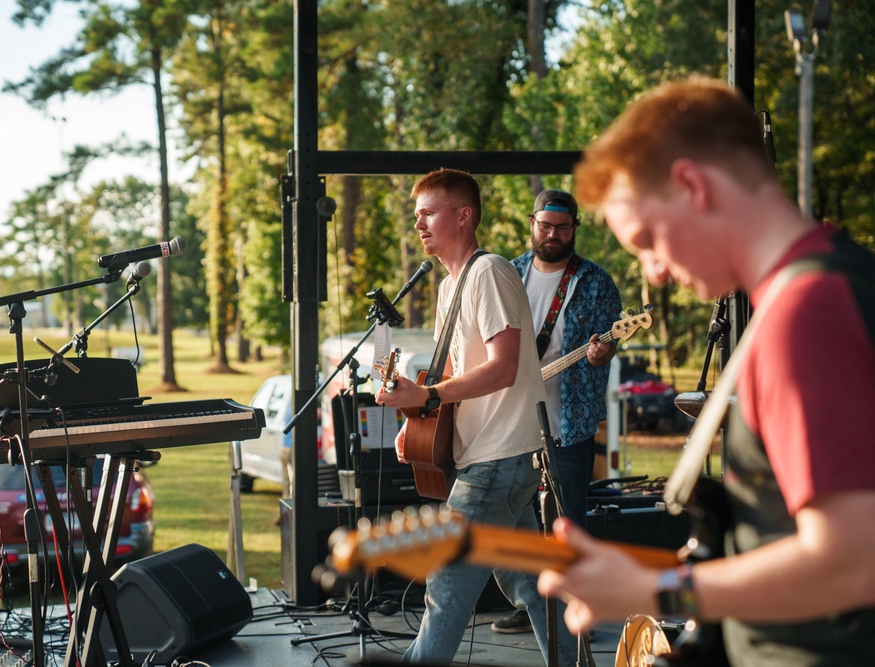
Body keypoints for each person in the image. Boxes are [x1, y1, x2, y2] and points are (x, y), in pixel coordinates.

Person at [536, 75, 875, 665]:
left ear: (691, 185)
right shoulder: (827, 285)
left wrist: (658, 590)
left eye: (647, 241)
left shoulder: (808, 311)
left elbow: (854, 560)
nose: (656, 272)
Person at [375, 167, 574, 665]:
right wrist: (412, 415)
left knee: (446, 585)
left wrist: (432, 396)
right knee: (531, 584)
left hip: (497, 458)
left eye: (428, 214)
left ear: (463, 216)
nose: (418, 224)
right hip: (500, 457)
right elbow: (449, 370)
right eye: (416, 215)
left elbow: (503, 367)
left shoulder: (489, 273)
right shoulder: (450, 286)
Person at [492, 188, 621, 634]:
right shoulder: (508, 274)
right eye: (544, 226)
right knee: (517, 516)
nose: (552, 234)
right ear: (532, 223)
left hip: (569, 418)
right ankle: (530, 603)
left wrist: (603, 353)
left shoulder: (596, 282)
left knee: (567, 518)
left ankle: (572, 607)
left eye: (561, 228)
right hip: (511, 417)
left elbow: (609, 344)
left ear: (574, 229)